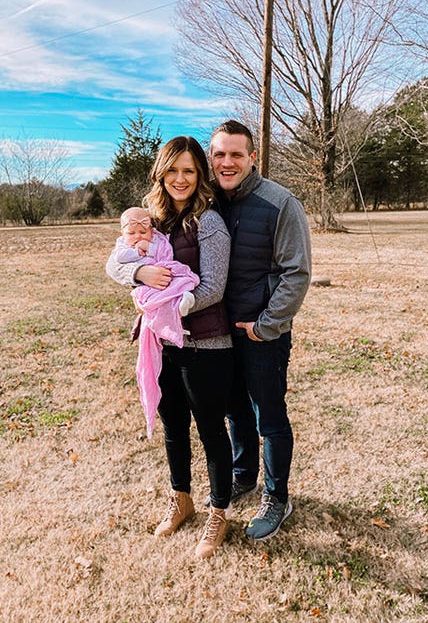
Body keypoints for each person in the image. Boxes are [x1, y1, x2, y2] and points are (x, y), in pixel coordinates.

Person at [105, 135, 234, 559]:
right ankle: (181, 499)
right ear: (161, 173)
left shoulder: (209, 222)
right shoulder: (150, 221)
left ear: (200, 176)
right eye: (173, 170)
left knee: (211, 429)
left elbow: (214, 287)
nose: (181, 179)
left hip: (205, 342)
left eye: (190, 171)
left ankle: (219, 512)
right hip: (160, 344)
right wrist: (141, 274)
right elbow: (114, 264)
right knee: (174, 426)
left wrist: (172, 306)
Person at [209, 119, 312, 541]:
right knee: (234, 411)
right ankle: (243, 475)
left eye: (237, 154)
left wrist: (267, 326)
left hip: (261, 335)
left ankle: (277, 496)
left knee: (268, 417)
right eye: (220, 154)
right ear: (210, 157)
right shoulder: (207, 201)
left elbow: (297, 273)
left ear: (253, 158)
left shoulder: (280, 202)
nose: (227, 162)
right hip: (219, 332)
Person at [109, 206, 200, 436]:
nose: (138, 237)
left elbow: (166, 252)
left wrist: (151, 248)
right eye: (132, 233)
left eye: (143, 231)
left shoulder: (158, 237)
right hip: (148, 288)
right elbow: (114, 263)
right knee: (144, 296)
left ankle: (181, 302)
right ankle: (168, 312)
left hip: (167, 274)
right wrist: (139, 267)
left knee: (182, 277)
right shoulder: (124, 247)